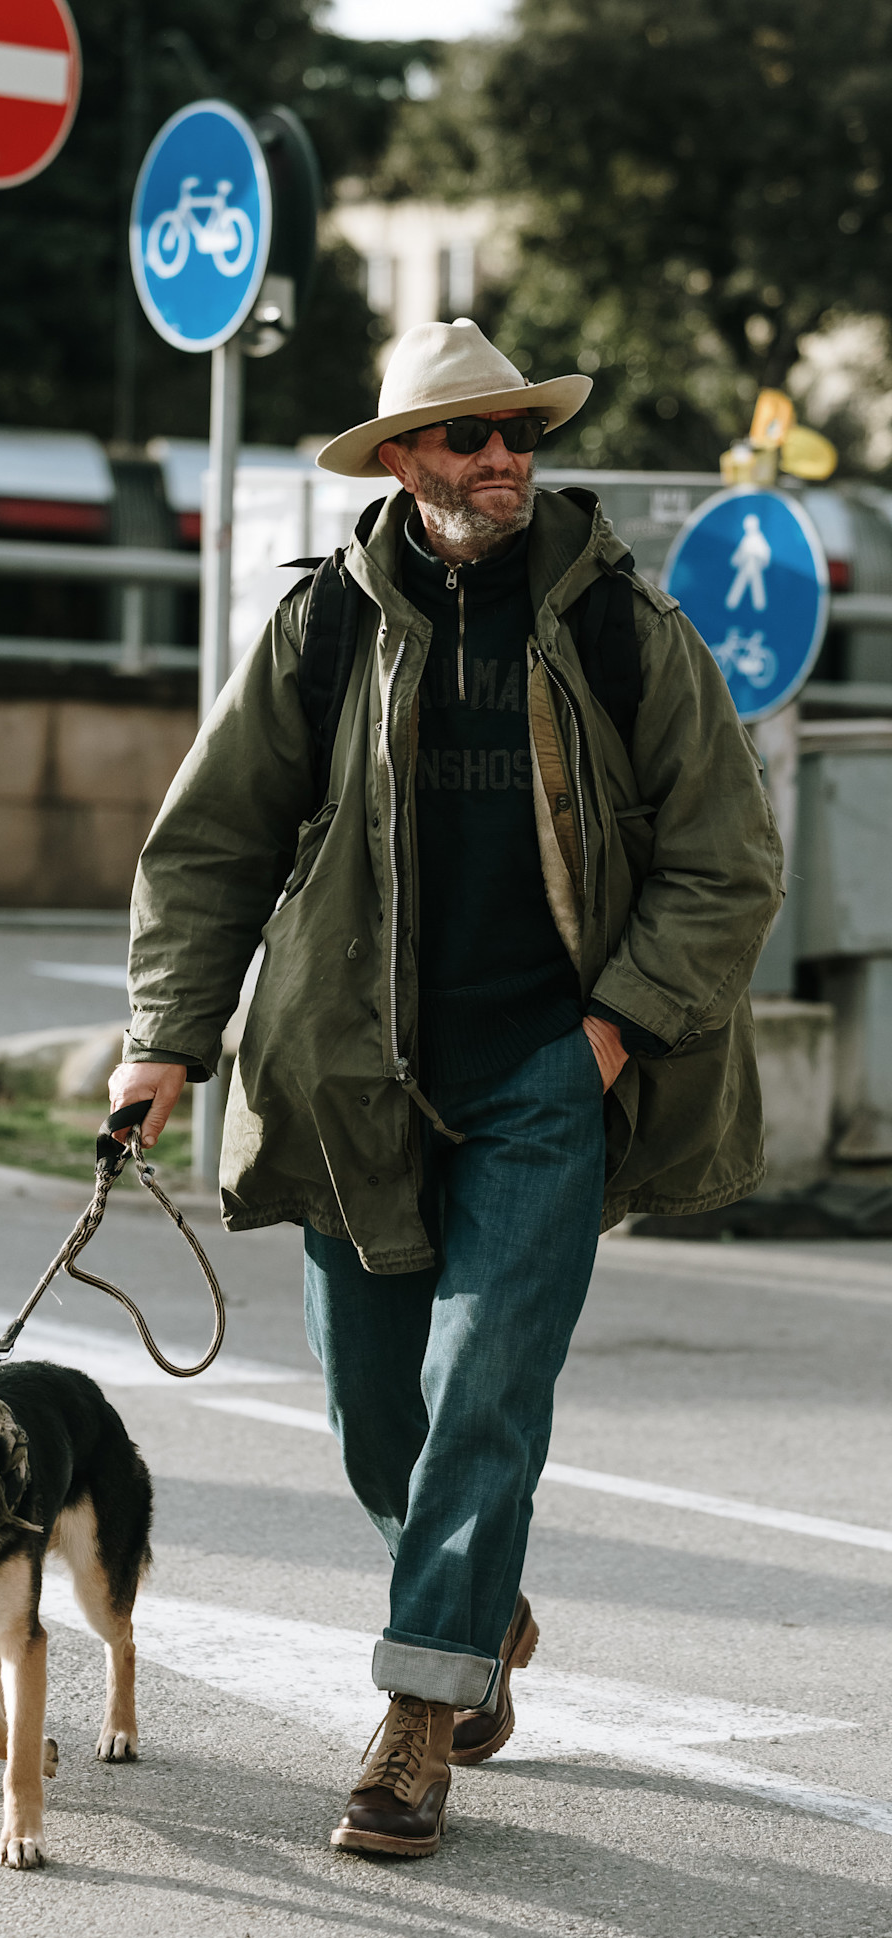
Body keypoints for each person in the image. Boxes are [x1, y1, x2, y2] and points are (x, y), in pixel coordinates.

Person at [109, 319, 783, 1858]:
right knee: (369, 1415)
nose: (500, 462)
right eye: (466, 438)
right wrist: (168, 1034)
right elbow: (213, 839)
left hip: (551, 1076)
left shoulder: (621, 626)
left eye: (518, 437)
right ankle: (473, 1611)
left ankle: (415, 1730)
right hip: (356, 1081)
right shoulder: (324, 631)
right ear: (403, 460)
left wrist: (610, 1036)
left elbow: (730, 857)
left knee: (482, 1390)